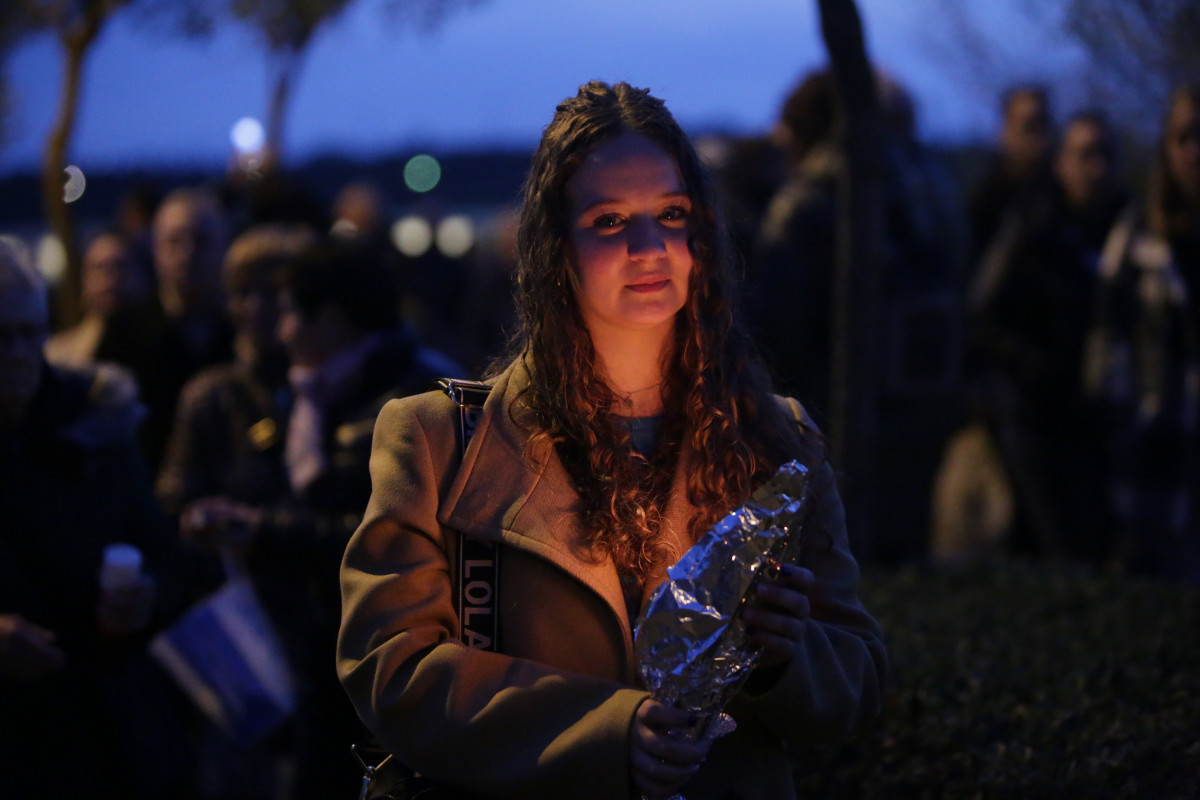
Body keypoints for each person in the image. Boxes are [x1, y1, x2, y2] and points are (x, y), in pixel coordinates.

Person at [336, 80, 886, 800]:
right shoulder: (442, 444)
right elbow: (391, 669)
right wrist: (604, 731)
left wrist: (787, 656)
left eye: (671, 213)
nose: (649, 247)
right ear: (554, 248)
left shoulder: (776, 440)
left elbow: (858, 686)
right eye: (608, 221)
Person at [178, 236, 460, 800]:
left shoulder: (414, 401)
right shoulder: (317, 391)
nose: (280, 333)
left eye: (288, 314)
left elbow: (385, 534)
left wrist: (264, 531)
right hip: (316, 654)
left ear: (330, 320)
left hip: (390, 658)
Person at [0, 238, 195, 798]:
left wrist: (147, 595)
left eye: (28, 334)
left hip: (106, 727)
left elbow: (160, 551)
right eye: (0, 336)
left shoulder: (95, 423)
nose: (16, 353)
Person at [938, 111, 1127, 562]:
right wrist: (1035, 367)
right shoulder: (1032, 226)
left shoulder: (1125, 229)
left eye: (1105, 155)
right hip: (1034, 413)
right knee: (1053, 541)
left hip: (1095, 415)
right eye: (1084, 155)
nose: (1095, 169)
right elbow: (984, 310)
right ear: (1062, 162)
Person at [1084, 85, 1200, 584]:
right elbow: (1107, 360)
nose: (1197, 151)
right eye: (1186, 136)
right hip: (1157, 472)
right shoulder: (1137, 241)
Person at [97, 186, 236, 473]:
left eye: (201, 241)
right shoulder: (125, 329)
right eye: (175, 242)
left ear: (224, 247)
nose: (187, 254)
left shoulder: (242, 327)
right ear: (155, 249)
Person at [44, 228, 151, 367]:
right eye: (99, 267)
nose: (111, 277)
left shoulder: (165, 344)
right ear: (83, 281)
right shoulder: (57, 355)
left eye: (121, 266)